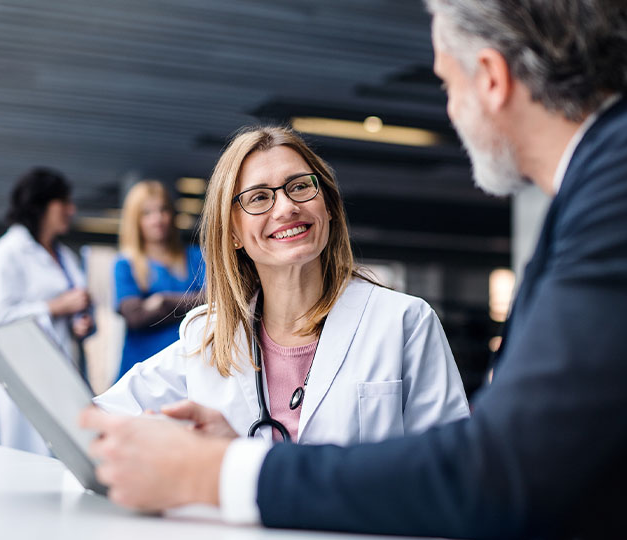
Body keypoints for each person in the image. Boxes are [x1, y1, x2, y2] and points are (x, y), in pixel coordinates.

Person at [81, 1, 627, 537]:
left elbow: (503, 472)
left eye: (446, 79)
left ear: (491, 77)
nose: (450, 101)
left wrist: (213, 475)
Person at [93, 126, 469, 448]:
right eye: (258, 197)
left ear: (329, 207)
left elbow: (452, 472)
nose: (286, 207)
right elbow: (95, 422)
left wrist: (243, 462)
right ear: (234, 232)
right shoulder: (207, 335)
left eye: (300, 187)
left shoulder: (404, 321)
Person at [0, 167, 94, 455]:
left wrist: (79, 323)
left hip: (64, 369)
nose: (72, 210)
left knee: (69, 455)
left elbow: (74, 311)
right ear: (41, 205)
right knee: (27, 458)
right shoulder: (6, 253)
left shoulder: (66, 256)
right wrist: (56, 307)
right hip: (25, 371)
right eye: (64, 202)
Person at [113, 180, 205, 380]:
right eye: (147, 213)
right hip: (142, 370)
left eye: (163, 210)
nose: (158, 219)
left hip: (190, 367)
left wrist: (162, 302)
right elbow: (135, 316)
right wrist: (191, 303)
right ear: (135, 220)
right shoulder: (125, 264)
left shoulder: (196, 257)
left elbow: (215, 300)